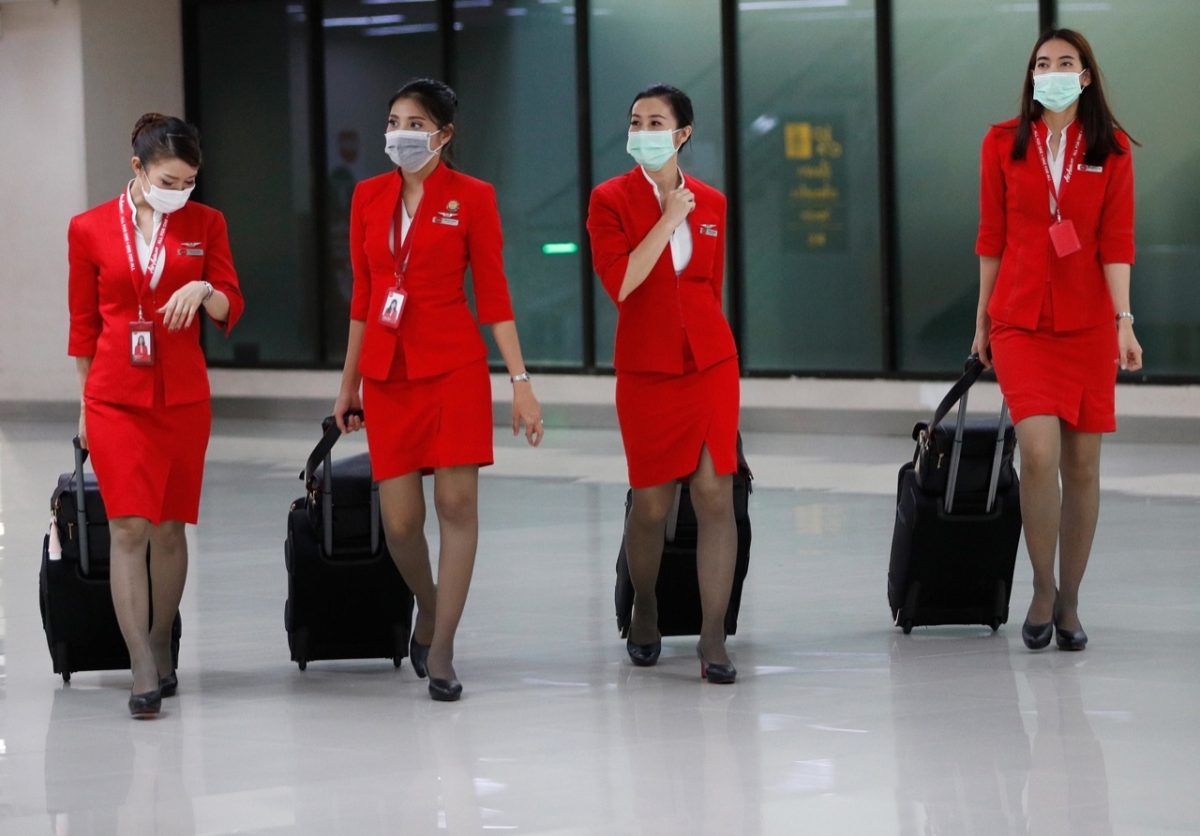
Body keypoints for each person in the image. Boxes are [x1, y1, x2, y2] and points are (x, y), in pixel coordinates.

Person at [333, 78, 543, 702]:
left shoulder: (473, 197)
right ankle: (428, 603)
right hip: (387, 375)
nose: (400, 133)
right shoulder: (368, 196)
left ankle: (443, 645)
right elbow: (364, 297)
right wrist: (348, 384)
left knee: (456, 506)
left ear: (444, 135)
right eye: (394, 121)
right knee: (400, 523)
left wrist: (521, 382)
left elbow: (495, 295)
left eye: (416, 124)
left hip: (453, 369)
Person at [68, 113, 244, 717]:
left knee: (170, 528)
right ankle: (141, 661)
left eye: (190, 181)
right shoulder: (89, 228)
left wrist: (203, 291)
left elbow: (231, 301)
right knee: (127, 528)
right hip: (114, 398)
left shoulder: (206, 223)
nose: (181, 191)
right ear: (138, 168)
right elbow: (83, 327)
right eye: (170, 180)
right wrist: (84, 405)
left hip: (182, 399)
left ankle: (162, 638)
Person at [972, 29, 1142, 652]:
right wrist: (982, 321)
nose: (1051, 72)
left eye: (1065, 63)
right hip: (1019, 319)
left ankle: (1070, 600)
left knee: (1083, 465)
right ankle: (1042, 588)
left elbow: (1116, 242)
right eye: (1042, 63)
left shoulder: (1111, 149)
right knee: (1038, 453)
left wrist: (1124, 319)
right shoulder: (1002, 142)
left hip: (1089, 324)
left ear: (1085, 76)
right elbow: (991, 236)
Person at [587, 84, 741, 683]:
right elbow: (621, 283)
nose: (643, 131)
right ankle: (646, 605)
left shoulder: (713, 202)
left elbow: (709, 287)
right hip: (646, 370)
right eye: (636, 121)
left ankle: (713, 636)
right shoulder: (609, 200)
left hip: (710, 364)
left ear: (683, 134)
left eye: (656, 122)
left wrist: (710, 348)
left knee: (715, 496)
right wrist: (670, 217)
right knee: (652, 506)